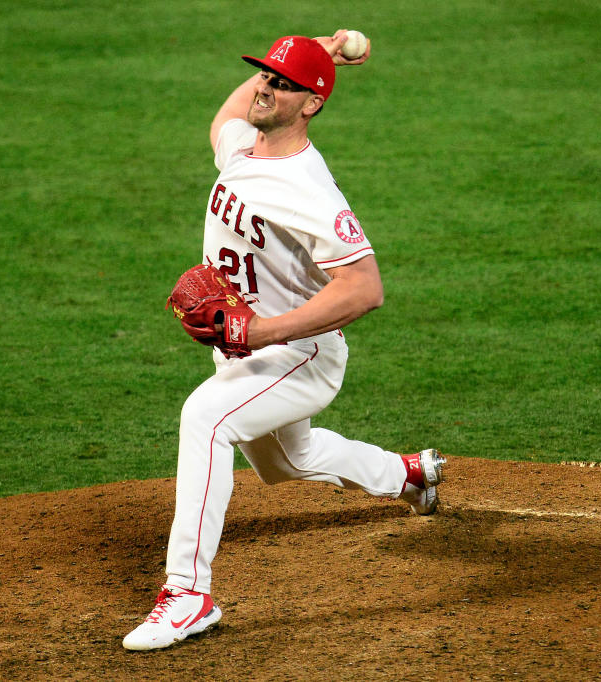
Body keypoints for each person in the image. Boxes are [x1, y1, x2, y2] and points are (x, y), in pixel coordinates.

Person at [122, 30, 446, 651]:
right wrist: (317, 49)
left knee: (206, 420)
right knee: (285, 463)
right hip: (251, 352)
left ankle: (188, 594)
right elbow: (227, 116)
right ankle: (407, 476)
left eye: (283, 83)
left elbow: (364, 288)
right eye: (264, 75)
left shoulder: (308, 190)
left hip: (298, 354)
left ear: (313, 104)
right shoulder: (245, 146)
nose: (265, 88)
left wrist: (262, 330)